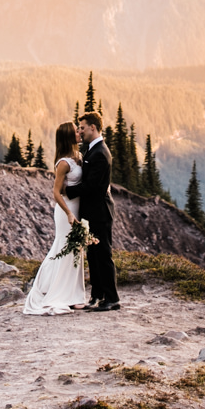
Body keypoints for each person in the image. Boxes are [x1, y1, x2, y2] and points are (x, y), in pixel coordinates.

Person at [21, 123, 92, 315]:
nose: (79, 133)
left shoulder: (78, 157)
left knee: (76, 249)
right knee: (64, 247)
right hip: (66, 211)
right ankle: (59, 293)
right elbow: (56, 192)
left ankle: (76, 296)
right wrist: (69, 213)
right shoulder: (63, 163)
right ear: (68, 136)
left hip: (78, 208)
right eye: (76, 131)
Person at [76, 110, 119, 310]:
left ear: (93, 127)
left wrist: (68, 190)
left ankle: (112, 299)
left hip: (100, 212)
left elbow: (92, 186)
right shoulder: (93, 150)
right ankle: (97, 295)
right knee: (93, 254)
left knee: (103, 254)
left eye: (83, 128)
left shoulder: (101, 153)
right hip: (92, 212)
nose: (80, 131)